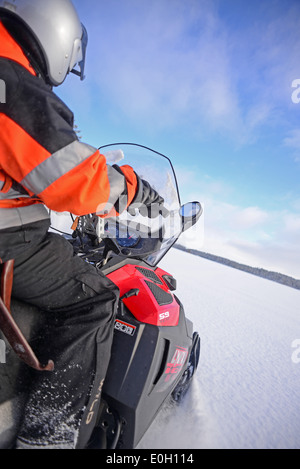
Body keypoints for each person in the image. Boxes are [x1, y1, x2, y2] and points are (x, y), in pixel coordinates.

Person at [0, 0, 163, 449]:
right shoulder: (13, 76)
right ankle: (49, 437)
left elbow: (22, 167)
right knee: (95, 299)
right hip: (8, 240)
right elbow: (72, 176)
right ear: (57, 36)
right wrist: (131, 187)